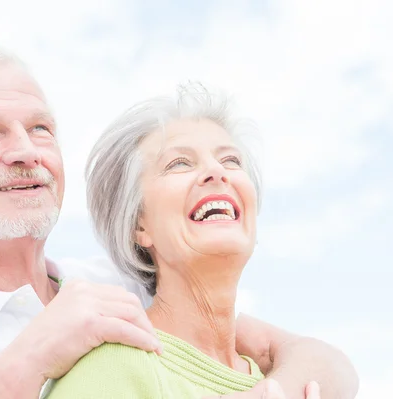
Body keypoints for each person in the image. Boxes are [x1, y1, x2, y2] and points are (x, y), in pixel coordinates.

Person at [0, 45, 358, 399]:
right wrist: (28, 360)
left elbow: (309, 355)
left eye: (40, 129)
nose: (25, 152)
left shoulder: (125, 284)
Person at [42, 83, 325, 398]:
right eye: (179, 163)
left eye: (231, 160)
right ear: (138, 223)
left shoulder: (280, 381)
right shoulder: (112, 368)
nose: (216, 172)